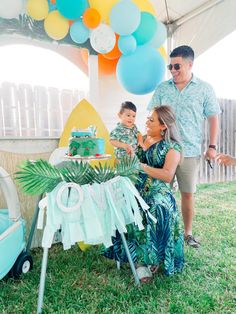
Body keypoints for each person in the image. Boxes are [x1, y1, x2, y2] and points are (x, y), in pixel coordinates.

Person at [148, 45, 221, 248]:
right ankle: (163, 231)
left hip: (189, 151)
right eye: (170, 66)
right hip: (164, 151)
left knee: (187, 193)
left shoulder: (204, 89)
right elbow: (152, 117)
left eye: (177, 66)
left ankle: (187, 233)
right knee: (161, 193)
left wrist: (212, 146)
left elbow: (213, 118)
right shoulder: (162, 88)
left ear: (190, 64)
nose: (172, 70)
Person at [104, 106, 184, 282]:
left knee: (155, 206)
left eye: (151, 120)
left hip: (158, 188)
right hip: (135, 185)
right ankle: (140, 260)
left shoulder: (172, 147)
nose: (146, 122)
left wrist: (143, 167)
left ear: (163, 126)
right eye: (147, 118)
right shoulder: (139, 138)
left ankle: (151, 258)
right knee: (124, 202)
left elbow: (167, 175)